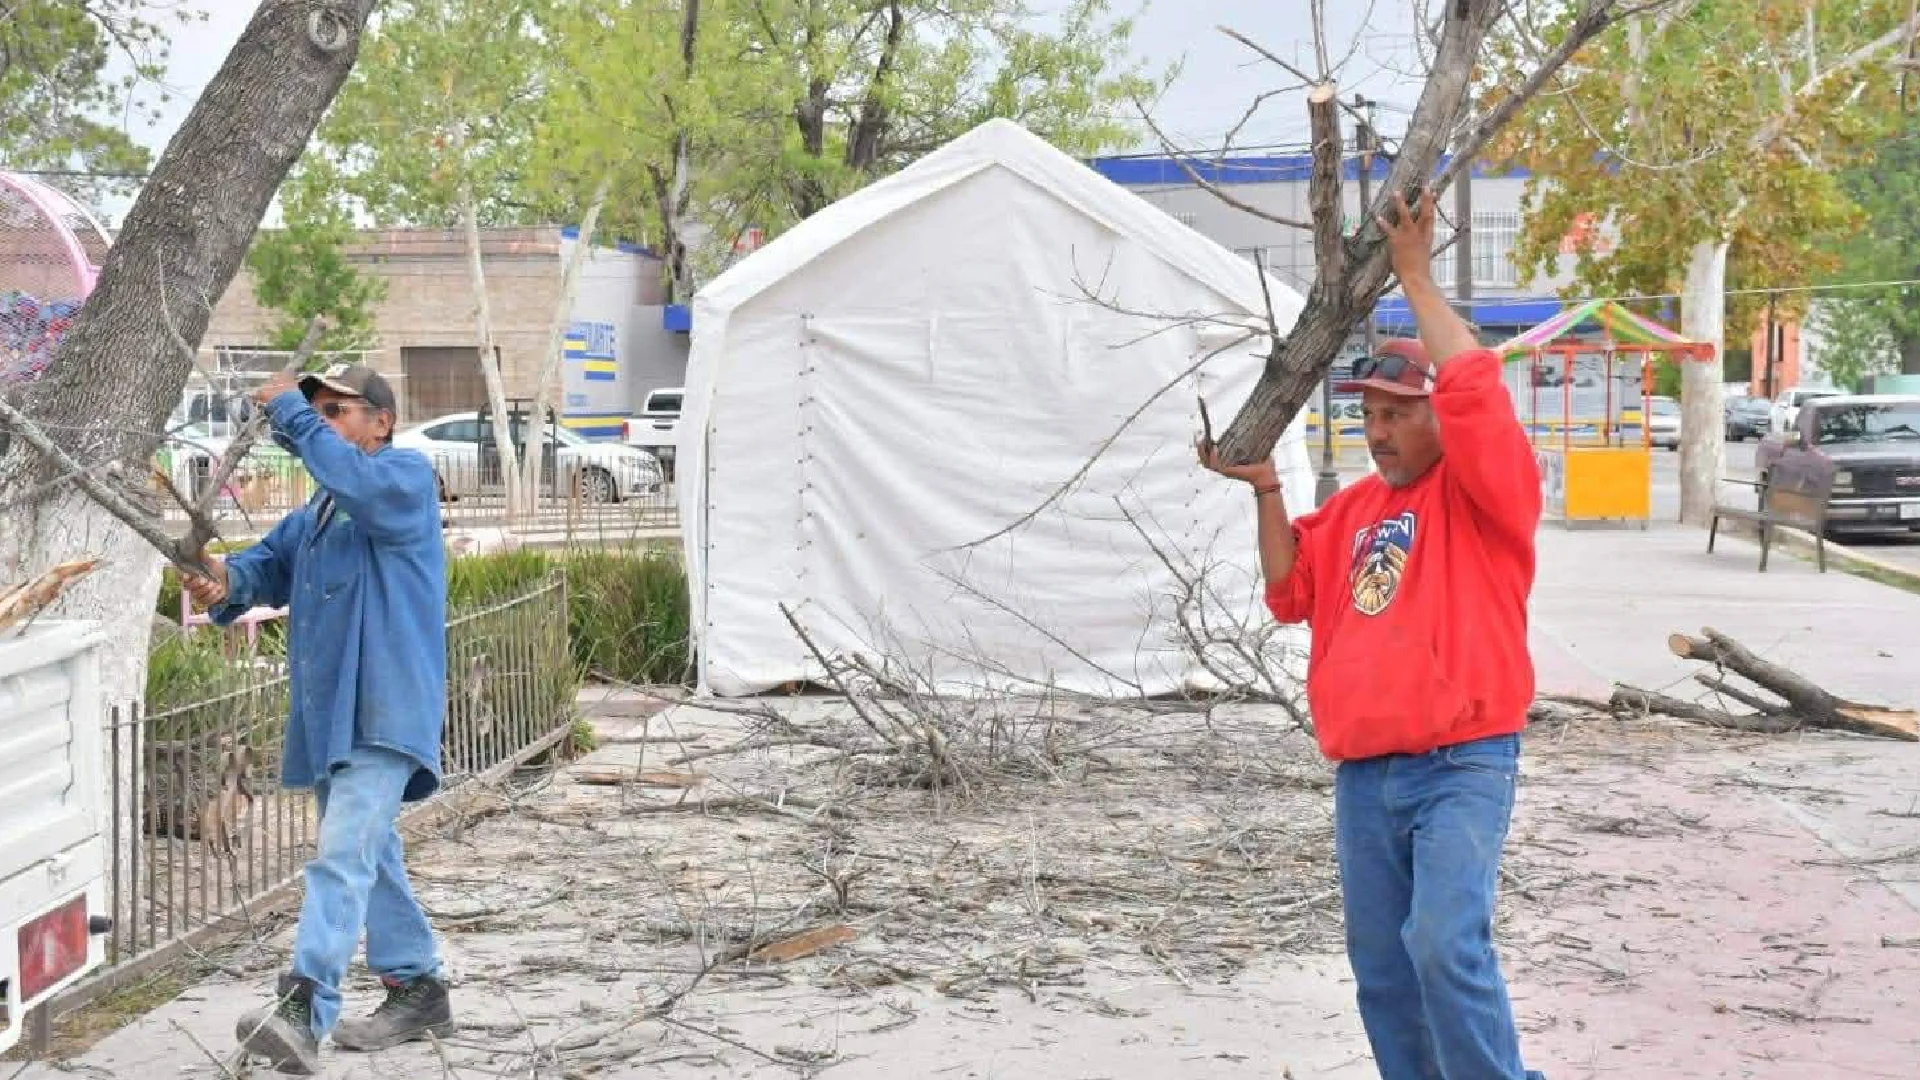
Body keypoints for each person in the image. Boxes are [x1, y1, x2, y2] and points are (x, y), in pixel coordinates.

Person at [1199, 189, 1545, 1080]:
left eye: (1398, 413)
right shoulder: (1354, 509)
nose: (1378, 432)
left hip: (1461, 763)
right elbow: (1290, 592)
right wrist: (1266, 489)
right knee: (1385, 973)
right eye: (1370, 416)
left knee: (1443, 943)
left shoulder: (1485, 494)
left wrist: (1415, 277)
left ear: (1441, 418)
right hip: (1366, 777)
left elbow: (1473, 383)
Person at [183, 363, 454, 1074]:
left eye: (338, 411)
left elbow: (357, 483)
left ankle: (304, 1007)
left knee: (340, 855)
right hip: (337, 715)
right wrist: (219, 579)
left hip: (386, 708)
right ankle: (417, 986)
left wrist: (293, 415)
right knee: (369, 850)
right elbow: (262, 570)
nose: (324, 421)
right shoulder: (319, 514)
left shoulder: (402, 479)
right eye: (319, 412)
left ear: (382, 423)